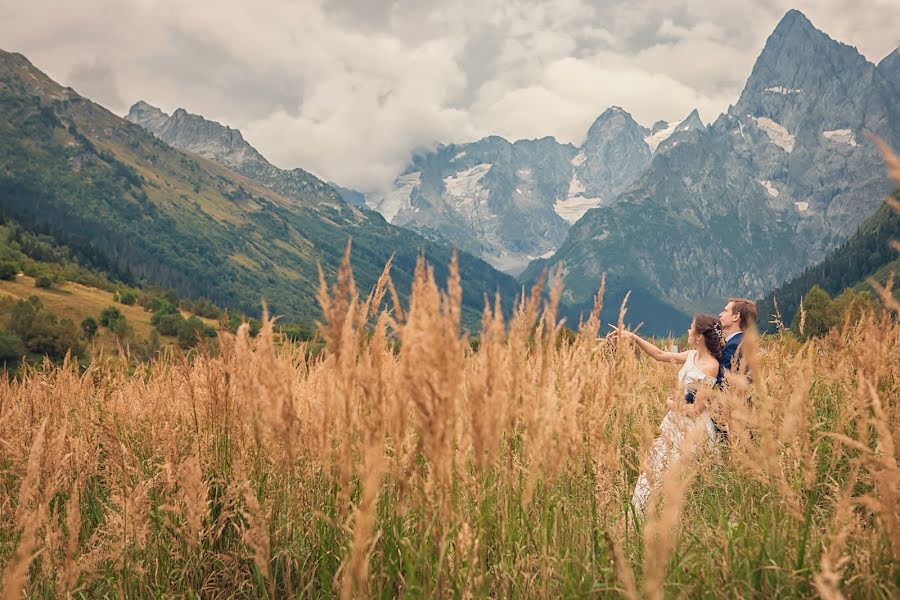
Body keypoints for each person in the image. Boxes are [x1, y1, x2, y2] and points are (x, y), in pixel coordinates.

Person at [608, 315, 724, 516]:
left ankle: (665, 517)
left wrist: (672, 404)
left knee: (676, 475)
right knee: (653, 468)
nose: (688, 331)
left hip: (692, 429)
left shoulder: (711, 366)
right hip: (674, 424)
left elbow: (697, 409)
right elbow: (660, 354)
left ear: (699, 337)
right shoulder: (690, 355)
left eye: (691, 328)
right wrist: (632, 337)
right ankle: (639, 515)